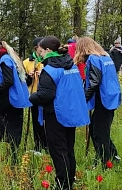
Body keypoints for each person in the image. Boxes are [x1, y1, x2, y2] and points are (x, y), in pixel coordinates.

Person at [29, 36, 89, 190]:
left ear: (48, 50)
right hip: (71, 113)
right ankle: (69, 181)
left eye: (41, 51)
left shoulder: (49, 70)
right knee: (69, 149)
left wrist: (32, 97)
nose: (40, 55)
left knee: (58, 151)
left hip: (55, 115)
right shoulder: (71, 65)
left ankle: (62, 184)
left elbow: (45, 95)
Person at [74, 37, 122, 169]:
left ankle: (103, 162)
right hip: (111, 96)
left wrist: (83, 99)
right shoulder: (105, 57)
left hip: (104, 98)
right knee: (100, 129)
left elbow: (94, 82)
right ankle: (113, 155)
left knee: (98, 132)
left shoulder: (93, 59)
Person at [23, 37, 48, 155]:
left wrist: (43, 75)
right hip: (33, 94)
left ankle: (48, 146)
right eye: (40, 46)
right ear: (36, 48)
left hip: (46, 95)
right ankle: (38, 145)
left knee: (47, 121)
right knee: (36, 120)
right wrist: (29, 77)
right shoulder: (27, 62)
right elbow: (24, 82)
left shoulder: (48, 60)